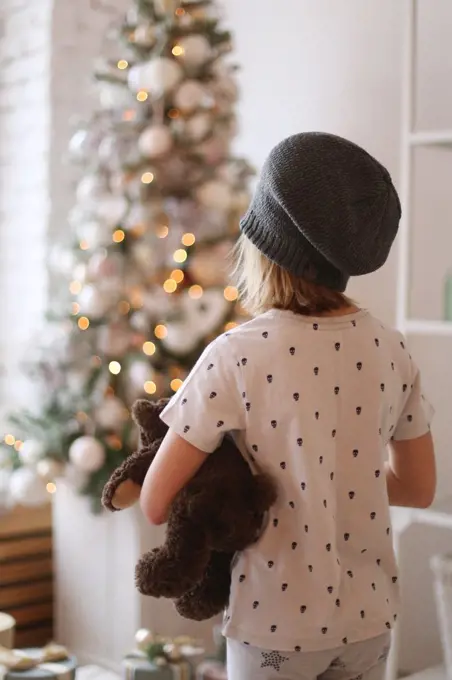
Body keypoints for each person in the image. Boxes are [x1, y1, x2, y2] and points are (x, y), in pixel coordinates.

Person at [140, 132, 436, 680]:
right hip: (370, 621)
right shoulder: (390, 347)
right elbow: (419, 487)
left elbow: (158, 501)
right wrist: (333, 477)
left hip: (274, 625)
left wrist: (285, 477)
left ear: (262, 245)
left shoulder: (234, 355)